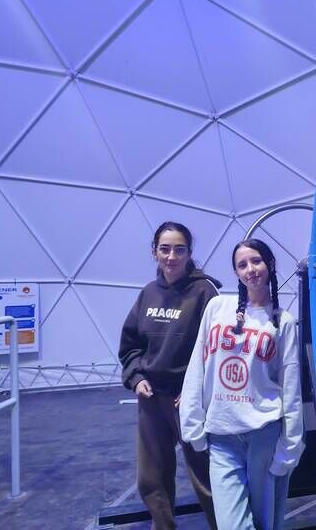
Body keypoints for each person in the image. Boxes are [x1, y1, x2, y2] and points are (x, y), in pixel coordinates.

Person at [179, 238, 304, 530]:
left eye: (256, 261)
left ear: (269, 264)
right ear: (236, 272)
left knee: (266, 522)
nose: (250, 269)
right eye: (242, 264)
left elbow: (290, 386)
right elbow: (198, 365)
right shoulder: (217, 307)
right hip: (222, 436)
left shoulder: (282, 321)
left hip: (264, 434)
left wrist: (290, 446)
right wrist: (192, 424)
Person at [119, 221, 221, 530]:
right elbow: (130, 345)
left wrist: (195, 390)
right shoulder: (148, 294)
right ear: (154, 252)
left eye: (179, 249)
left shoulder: (205, 292)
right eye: (165, 249)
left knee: (206, 476)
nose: (171, 256)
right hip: (152, 399)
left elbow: (216, 350)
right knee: (152, 479)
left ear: (189, 253)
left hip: (189, 401)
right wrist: (137, 378)